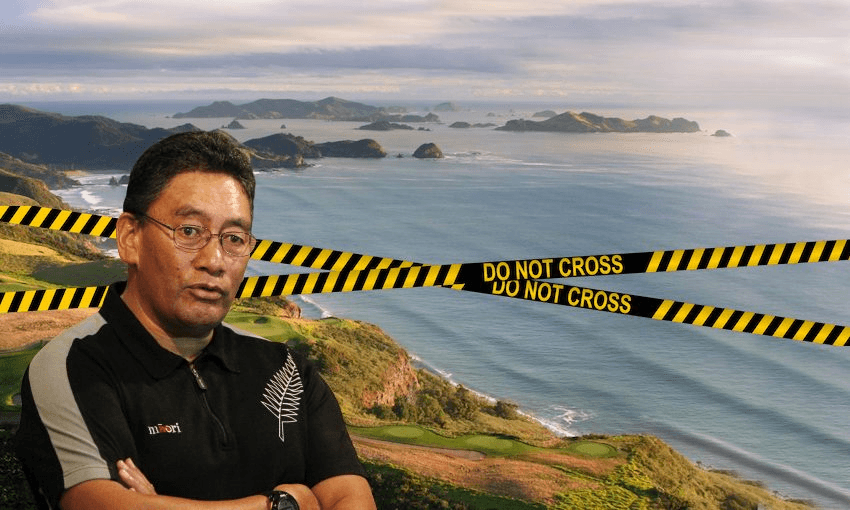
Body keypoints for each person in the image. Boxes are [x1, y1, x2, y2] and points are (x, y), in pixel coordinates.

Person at [15, 131, 376, 510]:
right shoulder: (73, 367)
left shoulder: (289, 371)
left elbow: (352, 500)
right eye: (189, 231)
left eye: (234, 238)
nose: (215, 260)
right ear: (129, 238)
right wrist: (286, 502)